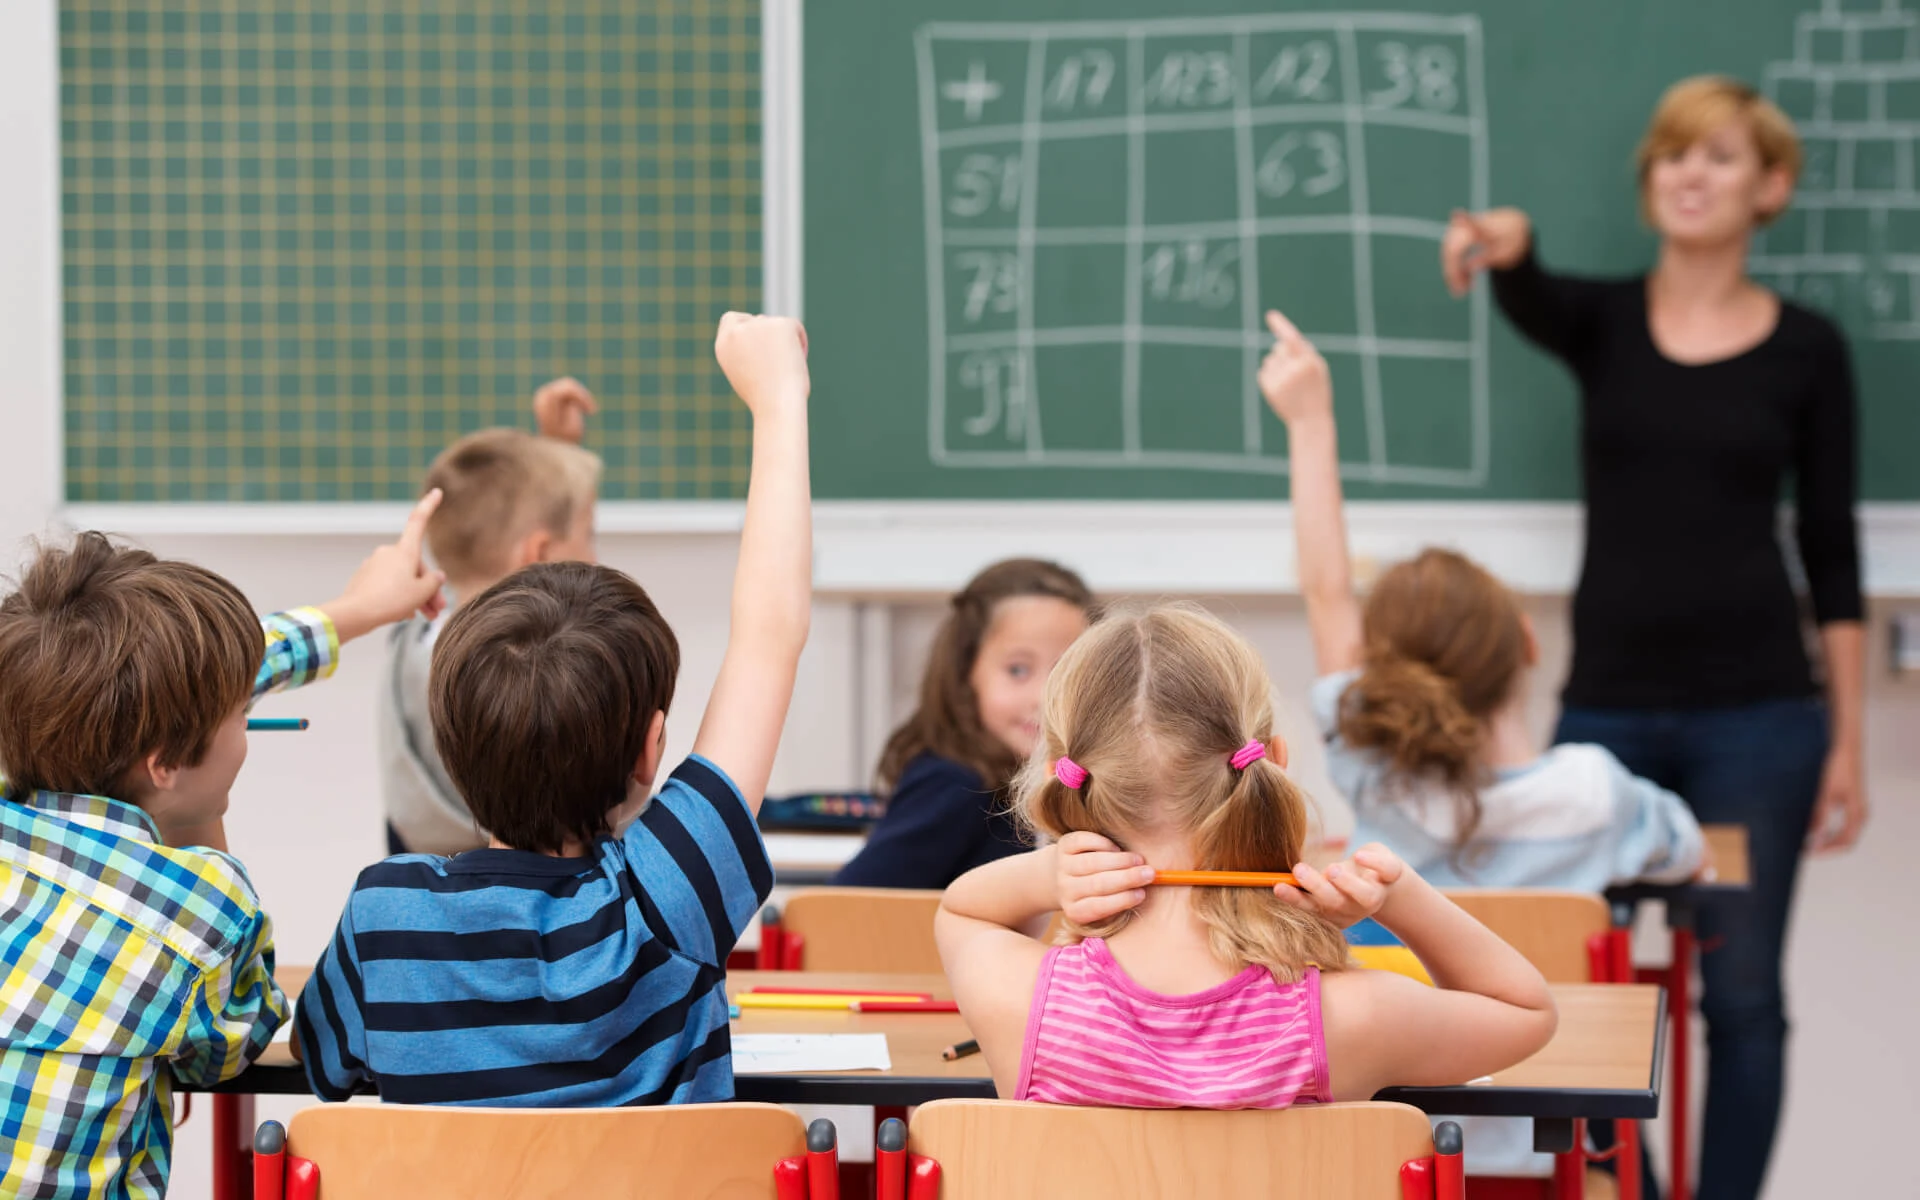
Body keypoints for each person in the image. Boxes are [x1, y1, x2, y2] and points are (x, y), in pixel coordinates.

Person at [1440, 76, 1864, 1200]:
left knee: (1743, 999)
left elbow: (1833, 555)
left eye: (1721, 157)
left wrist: (1849, 745)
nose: (1690, 174)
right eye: (1674, 155)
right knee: (1579, 980)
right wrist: (1509, 244)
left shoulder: (1809, 350)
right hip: (1608, 714)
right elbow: (1527, 291)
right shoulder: (1606, 324)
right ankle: (1618, 1186)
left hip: (1762, 721)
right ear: (1649, 184)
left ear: (1769, 187)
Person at [294, 312, 814, 1106]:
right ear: (650, 753)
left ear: (454, 742)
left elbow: (323, 1064)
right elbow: (769, 638)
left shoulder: (384, 917)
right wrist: (781, 403)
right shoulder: (666, 901)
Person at [1260, 306, 1705, 1175]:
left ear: (1383, 680)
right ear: (1528, 647)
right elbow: (1688, 857)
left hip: (1401, 1160)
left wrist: (1312, 423)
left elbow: (1325, 594)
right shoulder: (1597, 792)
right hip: (1549, 1160)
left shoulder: (1375, 771)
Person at [934, 604, 1558, 1108]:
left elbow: (961, 913)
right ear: (1273, 761)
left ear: (1065, 777)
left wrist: (1048, 875)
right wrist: (1401, 900)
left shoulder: (1028, 1001)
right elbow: (1525, 1012)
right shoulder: (1351, 1016)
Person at [0, 498, 447, 1200]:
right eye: (240, 713)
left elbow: (129, 682)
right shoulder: (199, 913)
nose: (245, 722)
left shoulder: (24, 720)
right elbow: (229, 1047)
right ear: (164, 762)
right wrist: (201, 831)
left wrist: (356, 609)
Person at [380, 376, 602, 856]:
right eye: (590, 534)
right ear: (540, 551)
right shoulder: (525, 675)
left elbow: (533, 579)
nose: (595, 555)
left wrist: (555, 450)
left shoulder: (416, 639)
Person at [833, 558, 1093, 889]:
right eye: (1017, 670)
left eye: (1064, 672)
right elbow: (846, 909)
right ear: (964, 675)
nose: (1043, 697)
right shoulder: (953, 784)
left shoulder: (1071, 786)